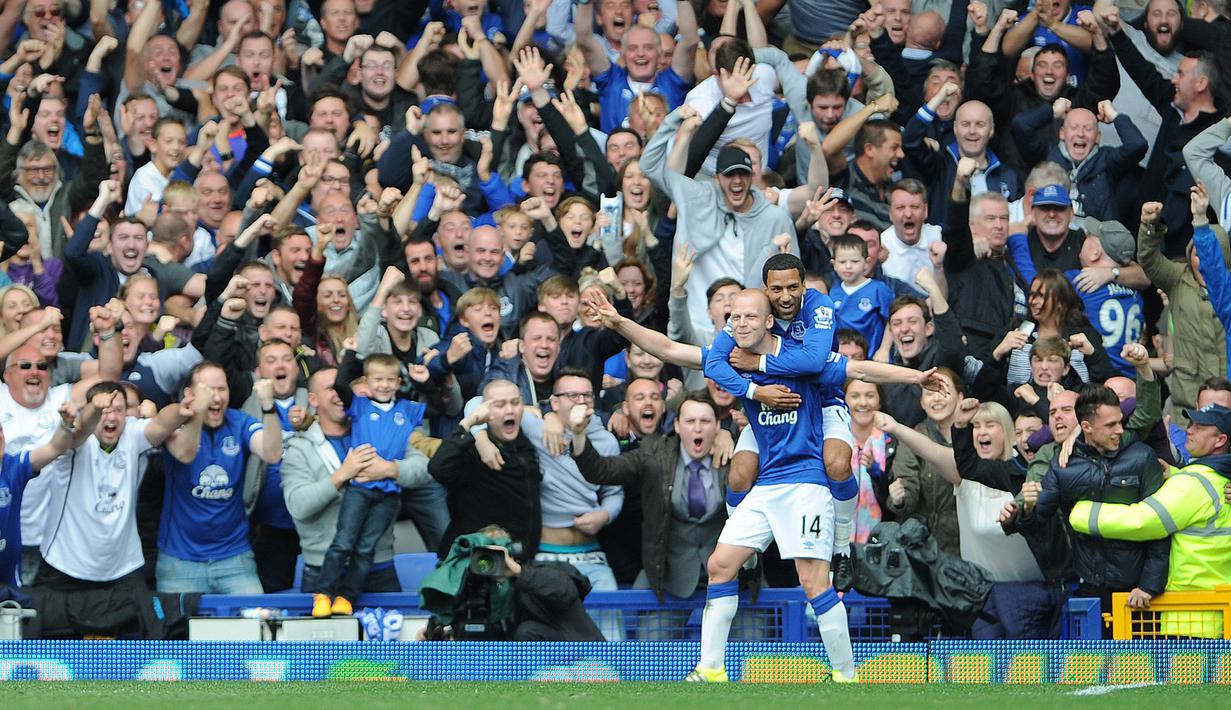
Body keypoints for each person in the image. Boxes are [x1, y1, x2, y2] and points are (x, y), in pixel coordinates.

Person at [1069, 403, 1231, 638]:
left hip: (1190, 621)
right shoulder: (1218, 480)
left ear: (1220, 440)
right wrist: (1176, 475)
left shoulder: (1193, 484)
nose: (1189, 430)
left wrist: (1082, 512)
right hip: (1218, 619)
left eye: (1199, 427)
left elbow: (1142, 521)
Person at [1009, 383, 1170, 618]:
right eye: (1111, 425)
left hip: (1140, 594)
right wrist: (1028, 509)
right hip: (1090, 589)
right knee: (1089, 657)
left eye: (1119, 422)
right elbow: (1035, 523)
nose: (1119, 430)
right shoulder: (1063, 466)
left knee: (1140, 657)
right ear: (1086, 427)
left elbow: (1160, 524)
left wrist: (1149, 585)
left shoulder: (1142, 457)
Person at [281, 368, 431, 594]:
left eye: (343, 388)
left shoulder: (377, 430)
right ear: (313, 399)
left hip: (378, 564)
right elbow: (299, 506)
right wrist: (342, 475)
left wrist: (390, 469)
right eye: (331, 388)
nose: (339, 395)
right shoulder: (299, 448)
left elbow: (424, 470)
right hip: (322, 567)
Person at [312, 351, 429, 617]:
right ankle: (323, 594)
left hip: (389, 493)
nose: (385, 385)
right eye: (378, 380)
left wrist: (423, 382)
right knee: (343, 542)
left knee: (366, 549)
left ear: (399, 382)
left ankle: (345, 597)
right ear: (366, 382)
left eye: (391, 380)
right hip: (360, 488)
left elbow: (433, 403)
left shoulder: (406, 409)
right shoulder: (360, 405)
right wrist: (351, 354)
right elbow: (341, 384)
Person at [156, 363, 283, 595]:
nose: (216, 397)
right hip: (180, 561)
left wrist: (268, 407)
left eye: (221, 389)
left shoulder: (240, 422)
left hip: (234, 558)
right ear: (189, 394)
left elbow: (272, 453)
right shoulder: (175, 422)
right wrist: (198, 411)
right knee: (176, 632)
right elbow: (185, 453)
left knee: (253, 627)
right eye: (208, 389)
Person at [429, 379, 543, 558]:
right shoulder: (470, 448)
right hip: (472, 562)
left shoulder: (526, 442)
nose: (509, 410)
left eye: (515, 403)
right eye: (500, 405)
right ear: (485, 410)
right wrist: (469, 424)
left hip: (519, 560)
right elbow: (437, 468)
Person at [0, 398, 93, 587]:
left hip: (8, 580)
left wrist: (66, 424)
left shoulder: (13, 466)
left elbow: (55, 448)